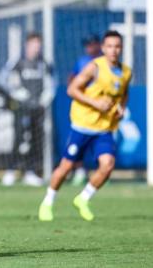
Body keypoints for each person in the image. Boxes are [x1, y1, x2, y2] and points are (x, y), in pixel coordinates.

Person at [38, 30, 132, 221]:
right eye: (110, 46)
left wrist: (121, 109)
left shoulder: (126, 72)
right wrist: (95, 103)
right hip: (82, 125)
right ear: (103, 48)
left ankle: (84, 198)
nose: (113, 50)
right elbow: (72, 89)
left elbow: (123, 94)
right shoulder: (94, 67)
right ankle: (48, 201)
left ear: (121, 49)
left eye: (117, 46)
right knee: (66, 167)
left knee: (108, 165)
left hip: (104, 129)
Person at [1, 33, 53, 187]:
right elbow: (3, 78)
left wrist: (47, 96)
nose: (36, 48)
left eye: (39, 45)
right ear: (27, 45)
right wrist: (15, 92)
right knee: (19, 138)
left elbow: (52, 82)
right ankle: (11, 170)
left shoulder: (44, 63)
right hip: (21, 108)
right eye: (34, 45)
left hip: (38, 108)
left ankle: (30, 171)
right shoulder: (18, 61)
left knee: (36, 140)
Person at [68, 34, 102, 186]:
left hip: (101, 111)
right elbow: (72, 80)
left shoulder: (105, 63)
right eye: (87, 45)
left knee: (101, 143)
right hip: (83, 110)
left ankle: (102, 173)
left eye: (92, 44)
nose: (89, 48)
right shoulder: (82, 62)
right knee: (78, 143)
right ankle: (80, 171)